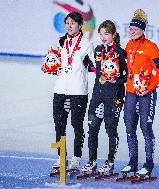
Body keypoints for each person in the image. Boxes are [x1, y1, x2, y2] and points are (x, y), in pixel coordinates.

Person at [41, 11, 94, 171]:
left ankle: (76, 158)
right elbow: (54, 61)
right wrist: (48, 67)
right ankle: (61, 156)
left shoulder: (86, 44)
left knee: (77, 125)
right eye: (67, 23)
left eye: (72, 23)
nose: (69, 26)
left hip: (78, 90)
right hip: (60, 89)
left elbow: (93, 67)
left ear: (79, 25)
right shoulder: (60, 42)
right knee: (59, 124)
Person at [121, 9, 159, 177]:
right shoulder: (128, 45)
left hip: (146, 93)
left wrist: (150, 87)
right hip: (131, 92)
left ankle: (148, 164)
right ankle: (133, 162)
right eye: (130, 29)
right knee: (129, 127)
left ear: (141, 29)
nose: (131, 31)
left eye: (134, 29)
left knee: (145, 127)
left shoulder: (151, 47)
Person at [80, 20, 127, 174]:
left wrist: (116, 80)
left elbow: (127, 76)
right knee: (92, 128)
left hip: (115, 97)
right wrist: (85, 62)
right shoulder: (98, 50)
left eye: (106, 33)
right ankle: (92, 161)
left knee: (110, 128)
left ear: (113, 34)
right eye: (100, 34)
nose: (103, 36)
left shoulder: (120, 52)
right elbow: (97, 70)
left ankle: (110, 162)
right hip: (98, 96)